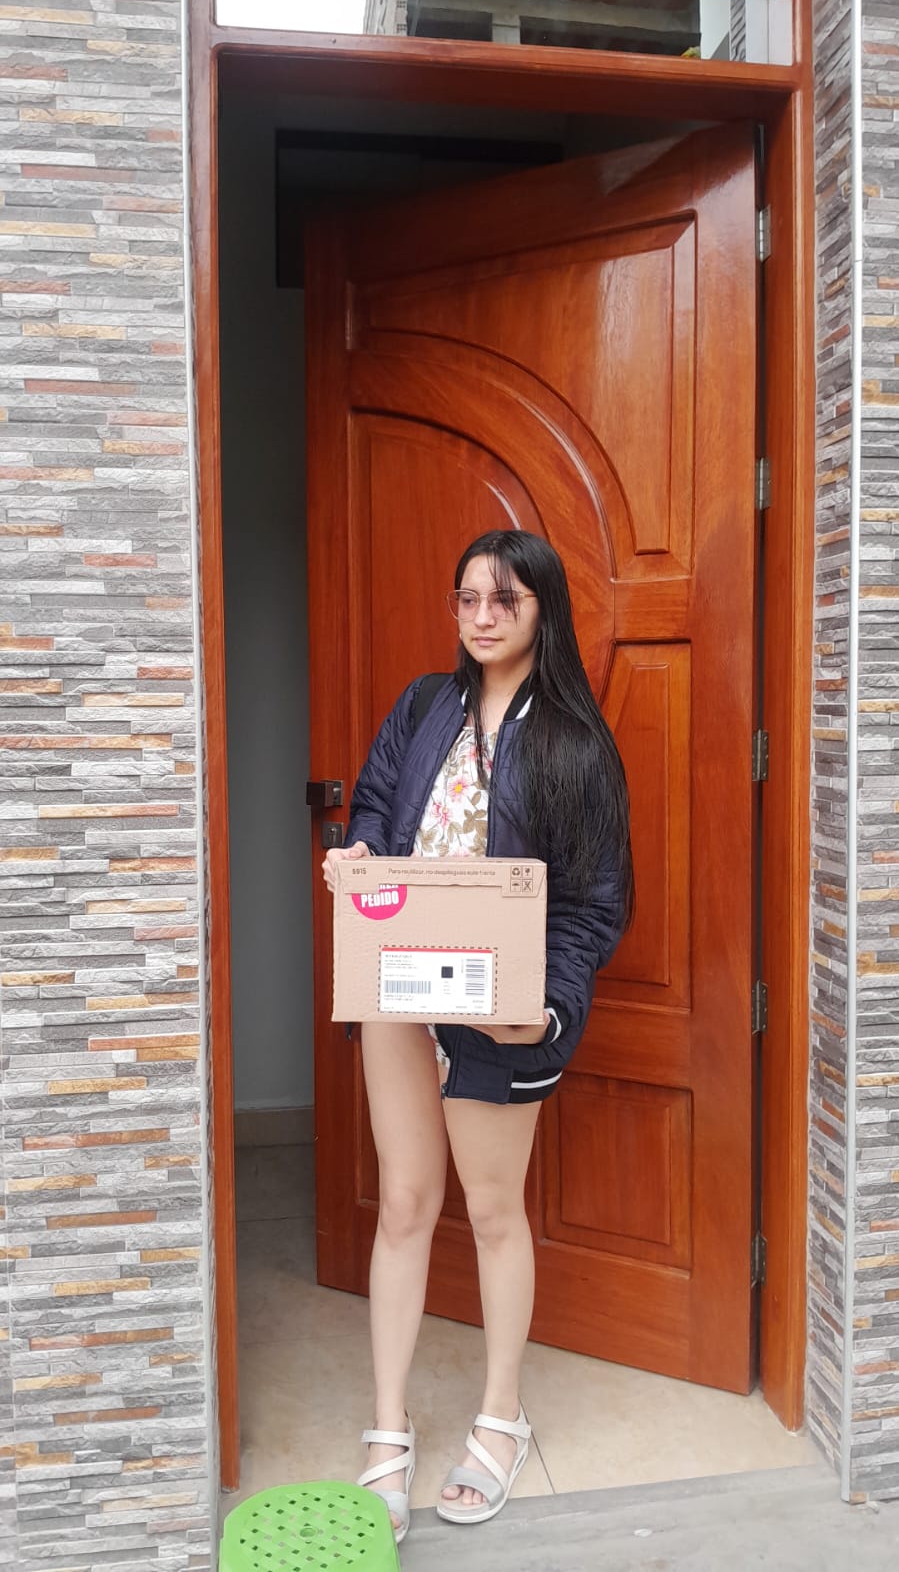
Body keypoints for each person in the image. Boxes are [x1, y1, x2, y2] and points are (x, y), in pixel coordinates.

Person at [322, 528, 634, 1540]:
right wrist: (357, 855)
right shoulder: (423, 707)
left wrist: (547, 1010)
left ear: (541, 609)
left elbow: (591, 908)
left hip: (500, 1007)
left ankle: (500, 1418)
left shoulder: (575, 745)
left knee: (494, 1213)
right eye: (467, 599)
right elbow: (375, 809)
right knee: (404, 1202)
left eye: (505, 599)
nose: (483, 616)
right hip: (401, 987)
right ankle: (387, 1426)